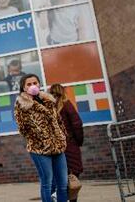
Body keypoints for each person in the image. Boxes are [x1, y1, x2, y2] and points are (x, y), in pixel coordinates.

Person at [14, 74, 68, 202]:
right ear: (23, 87)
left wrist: (63, 136)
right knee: (47, 182)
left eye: (35, 83)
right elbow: (22, 128)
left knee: (63, 183)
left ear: (39, 84)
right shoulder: (21, 104)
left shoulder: (48, 100)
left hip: (58, 146)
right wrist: (39, 137)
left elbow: (58, 121)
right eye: (29, 84)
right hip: (39, 149)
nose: (33, 86)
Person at [49, 84, 84, 202]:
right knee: (73, 181)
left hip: (56, 149)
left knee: (60, 180)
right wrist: (78, 141)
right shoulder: (67, 104)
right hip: (70, 147)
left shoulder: (50, 108)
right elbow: (77, 124)